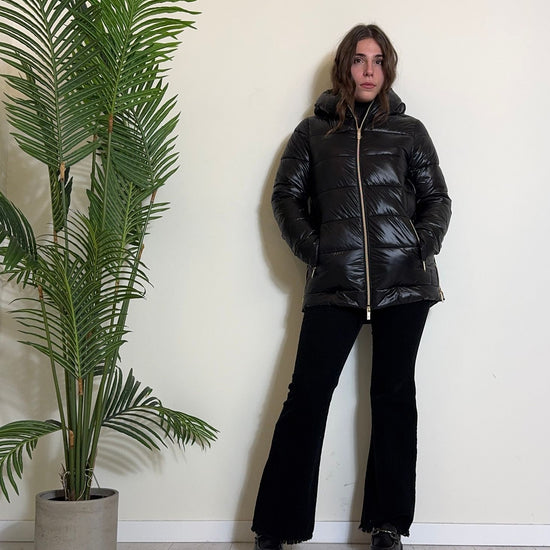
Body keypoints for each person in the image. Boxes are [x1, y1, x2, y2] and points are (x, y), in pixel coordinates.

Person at [251, 23, 451, 550]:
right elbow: (285, 197)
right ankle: (277, 527)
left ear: (388, 69)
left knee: (393, 398)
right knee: (307, 397)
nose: (369, 70)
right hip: (336, 282)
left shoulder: (409, 131)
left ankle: (388, 526)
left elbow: (437, 198)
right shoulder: (311, 133)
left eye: (378, 61)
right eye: (360, 60)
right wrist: (317, 251)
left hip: (403, 283)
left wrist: (420, 245)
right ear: (344, 66)